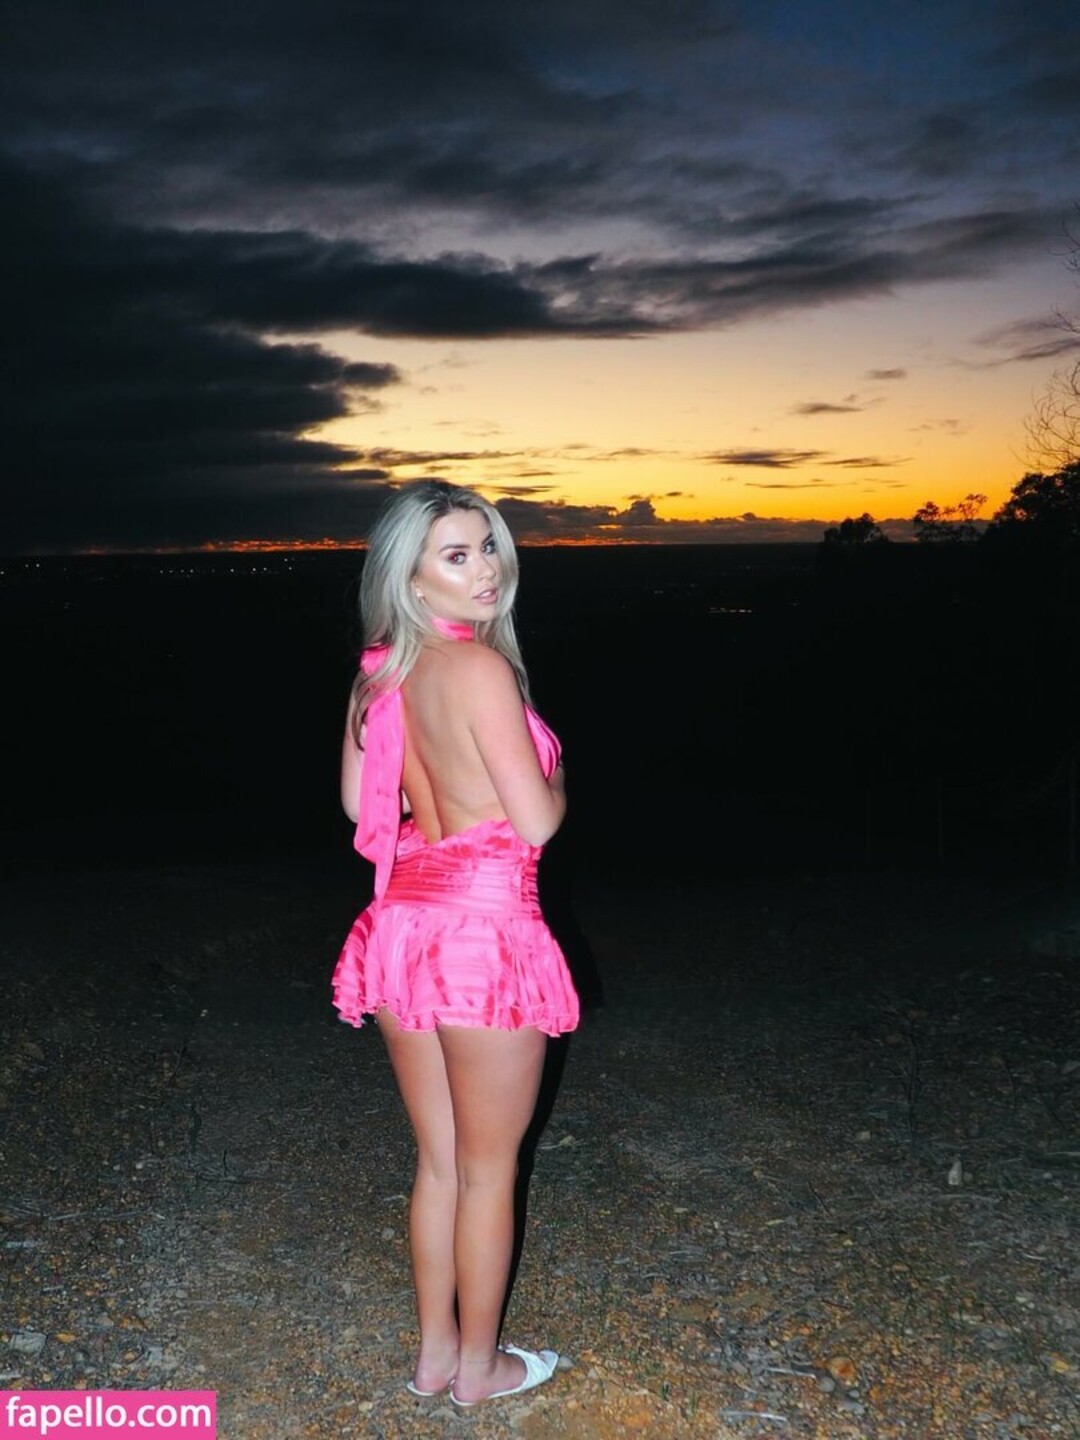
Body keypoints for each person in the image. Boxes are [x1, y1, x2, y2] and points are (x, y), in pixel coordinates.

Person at [332, 480, 579, 1406]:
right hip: (483, 934)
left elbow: (361, 808)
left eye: (489, 548)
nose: (487, 570)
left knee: (439, 1164)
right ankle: (479, 1371)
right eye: (458, 555)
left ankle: (435, 1356)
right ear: (411, 577)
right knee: (486, 1170)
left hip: (403, 927)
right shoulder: (480, 672)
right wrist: (559, 777)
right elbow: (536, 822)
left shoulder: (380, 676)